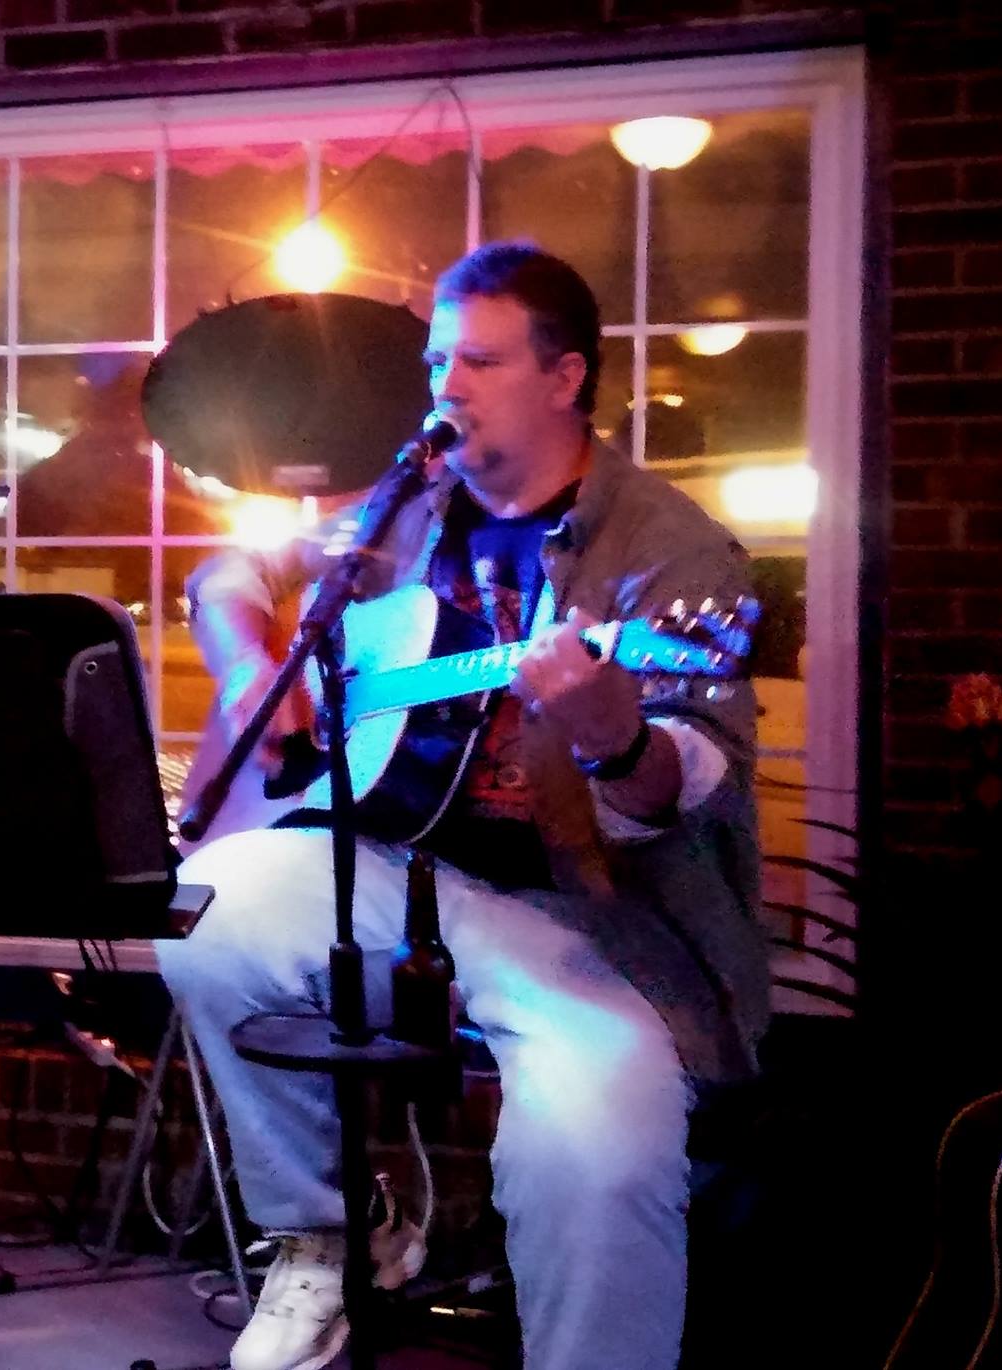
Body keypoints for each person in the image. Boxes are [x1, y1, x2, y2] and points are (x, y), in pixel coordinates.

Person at [158, 240, 769, 1370]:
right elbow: (225, 575)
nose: (444, 383)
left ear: (564, 376)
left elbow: (690, 778)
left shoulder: (671, 554)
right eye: (439, 357)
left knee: (592, 1151)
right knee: (204, 901)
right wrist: (254, 669)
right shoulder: (405, 508)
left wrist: (610, 732)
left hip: (596, 916)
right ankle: (330, 1230)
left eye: (479, 360)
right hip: (406, 874)